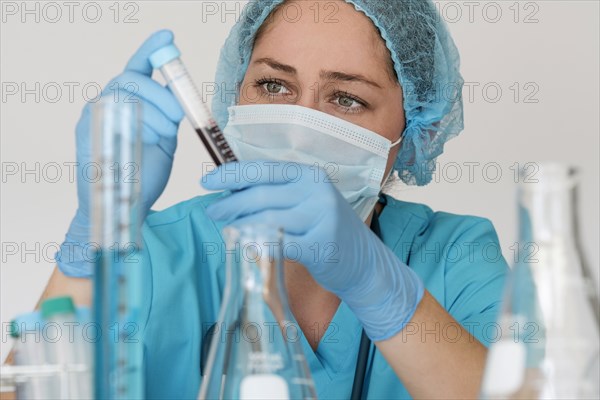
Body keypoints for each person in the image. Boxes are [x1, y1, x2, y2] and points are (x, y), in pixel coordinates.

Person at [44, 0, 508, 398]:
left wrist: (381, 288)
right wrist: (96, 236)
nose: (297, 125)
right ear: (237, 92)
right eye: (274, 85)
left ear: (411, 130)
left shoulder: (456, 255)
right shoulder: (152, 255)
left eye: (346, 98)